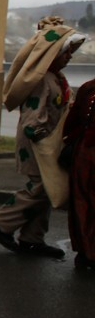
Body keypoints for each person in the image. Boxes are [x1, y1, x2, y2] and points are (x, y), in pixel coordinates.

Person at [0, 18, 87, 258]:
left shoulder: (55, 78)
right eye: (66, 53)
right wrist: (42, 138)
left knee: (47, 190)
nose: (69, 57)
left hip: (48, 143)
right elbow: (33, 118)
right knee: (39, 187)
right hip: (38, 144)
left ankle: (32, 239)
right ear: (52, 55)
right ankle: (1, 224)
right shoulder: (41, 81)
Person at [61, 77, 95, 271]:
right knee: (83, 203)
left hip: (84, 153)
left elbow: (72, 123)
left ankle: (85, 253)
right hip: (86, 155)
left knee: (82, 203)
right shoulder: (88, 88)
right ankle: (87, 253)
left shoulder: (88, 87)